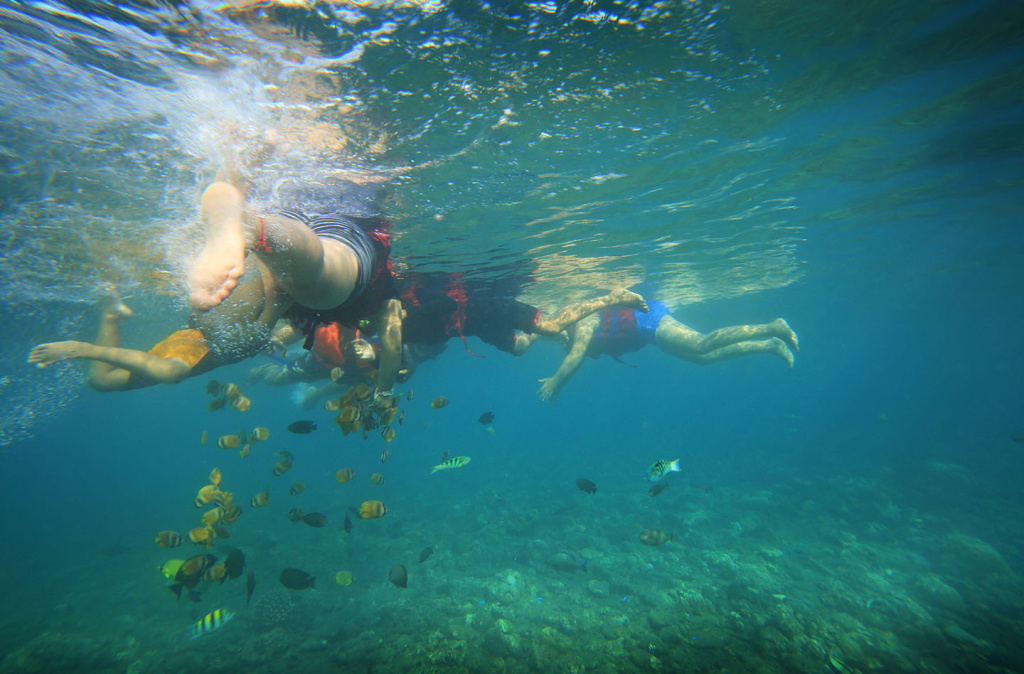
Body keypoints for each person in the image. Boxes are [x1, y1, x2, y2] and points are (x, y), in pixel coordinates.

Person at [27, 169, 400, 394]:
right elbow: (165, 370)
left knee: (319, 280)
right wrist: (80, 349)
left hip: (303, 249)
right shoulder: (202, 348)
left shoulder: (207, 347)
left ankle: (249, 220)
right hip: (251, 296)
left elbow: (165, 370)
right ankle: (247, 220)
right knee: (316, 283)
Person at [372, 272, 651, 394]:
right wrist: (403, 371)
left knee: (553, 324)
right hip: (480, 327)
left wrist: (408, 314)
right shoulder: (399, 334)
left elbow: (448, 303)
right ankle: (547, 334)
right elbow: (419, 351)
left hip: (491, 307)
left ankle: (612, 298)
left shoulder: (410, 301)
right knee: (520, 349)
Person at [536, 298, 799, 401]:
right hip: (649, 335)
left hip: (650, 321)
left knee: (701, 343)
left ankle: (772, 327)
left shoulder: (583, 324)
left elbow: (577, 355)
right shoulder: (569, 333)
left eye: (555, 331)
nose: (556, 338)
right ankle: (770, 344)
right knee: (704, 359)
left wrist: (556, 382)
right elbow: (575, 353)